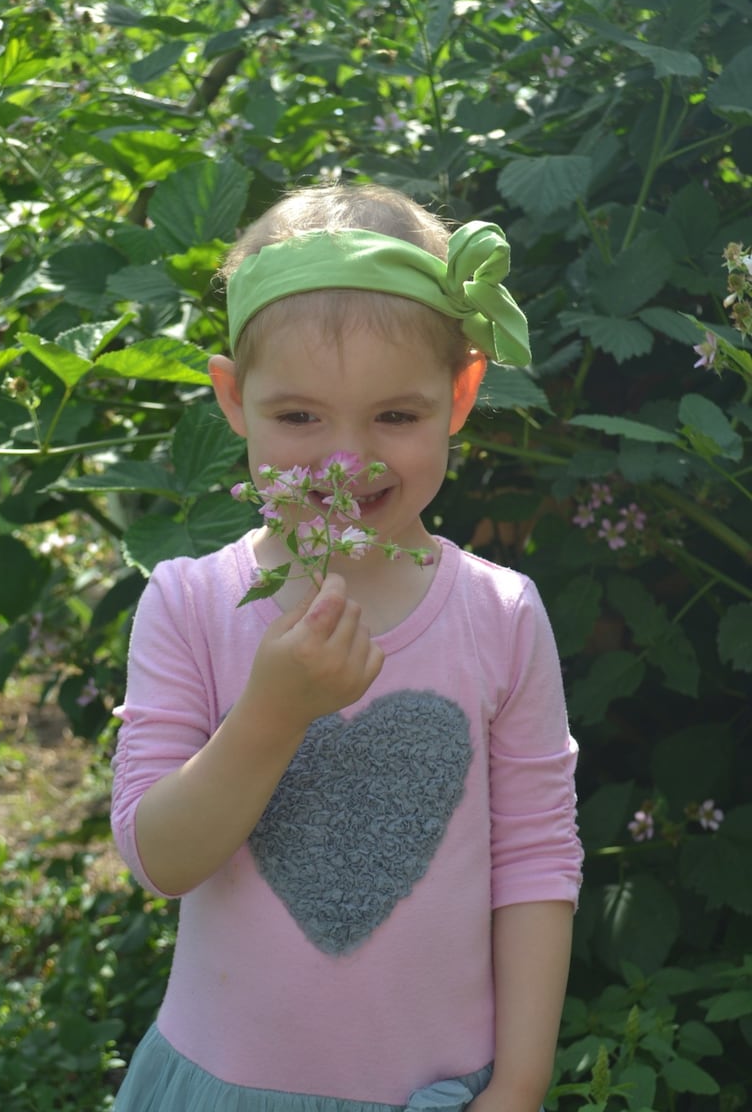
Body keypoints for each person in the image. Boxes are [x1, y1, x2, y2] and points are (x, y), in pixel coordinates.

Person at [110, 182, 583, 1112]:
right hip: (226, 1086)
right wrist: (273, 713)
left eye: (395, 417)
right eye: (298, 418)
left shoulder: (500, 613)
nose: (347, 457)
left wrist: (521, 1084)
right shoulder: (191, 602)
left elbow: (534, 857)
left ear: (460, 395)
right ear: (234, 400)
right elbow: (160, 860)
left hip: (443, 1091)